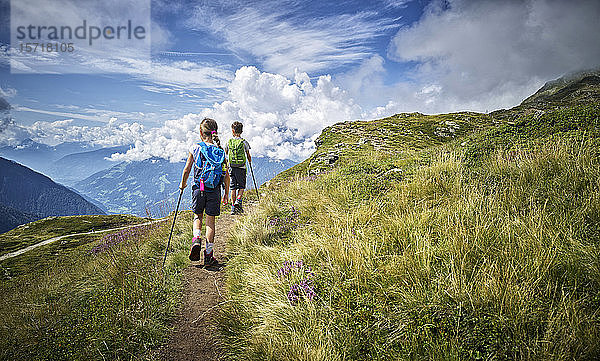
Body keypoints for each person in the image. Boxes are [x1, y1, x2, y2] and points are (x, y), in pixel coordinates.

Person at [179, 118, 230, 266]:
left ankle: (196, 240)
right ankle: (208, 255)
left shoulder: (195, 147)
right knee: (211, 222)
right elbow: (226, 175)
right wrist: (226, 193)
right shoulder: (220, 151)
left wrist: (182, 185)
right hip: (214, 191)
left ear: (201, 133)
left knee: (197, 216)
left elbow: (187, 169)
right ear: (215, 133)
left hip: (198, 188)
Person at [224, 121, 251, 215]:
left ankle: (233, 208)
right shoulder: (244, 142)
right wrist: (250, 162)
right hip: (241, 167)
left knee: (233, 188)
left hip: (231, 167)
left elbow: (226, 153)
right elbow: (248, 154)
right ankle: (238, 201)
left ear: (232, 131)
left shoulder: (229, 142)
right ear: (242, 131)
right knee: (242, 186)